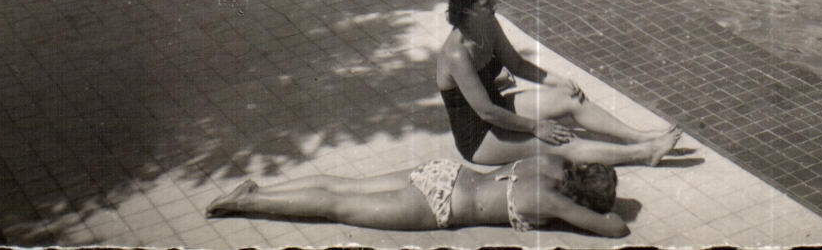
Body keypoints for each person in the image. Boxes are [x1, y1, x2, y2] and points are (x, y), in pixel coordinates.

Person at [436, 0, 680, 167]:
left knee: (569, 97)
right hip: (480, 137)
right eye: (487, 4)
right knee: (561, 142)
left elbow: (517, 65)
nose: (494, 7)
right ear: (467, 11)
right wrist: (536, 127)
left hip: (499, 108)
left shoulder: (488, 25)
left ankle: (636, 136)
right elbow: (486, 112)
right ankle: (644, 153)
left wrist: (558, 81)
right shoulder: (456, 53)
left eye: (493, 0)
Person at [205, 154, 628, 237]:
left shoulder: (550, 162)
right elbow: (616, 229)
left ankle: (259, 191)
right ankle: (243, 203)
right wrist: (599, 210)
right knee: (338, 208)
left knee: (342, 187)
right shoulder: (556, 202)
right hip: (441, 206)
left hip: (446, 172)